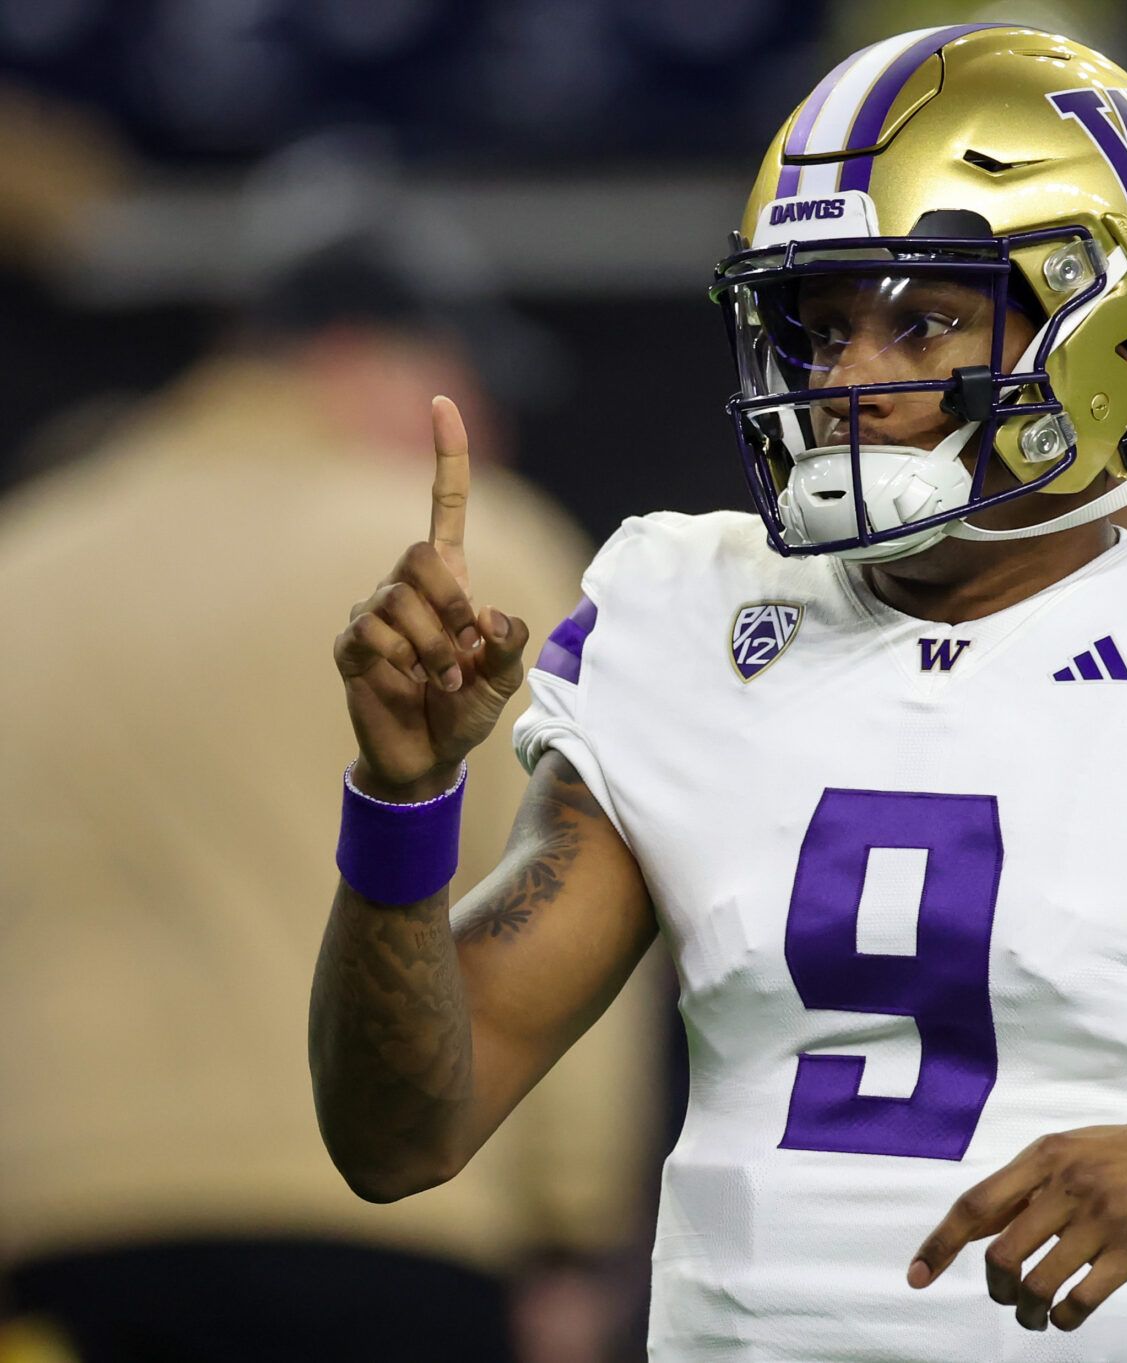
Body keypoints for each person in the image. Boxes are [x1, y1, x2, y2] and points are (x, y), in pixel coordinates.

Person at [309, 24, 1127, 1361]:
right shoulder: (689, 609)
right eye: (820, 327)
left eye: (923, 319)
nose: (847, 383)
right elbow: (400, 1135)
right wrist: (401, 808)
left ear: (1116, 322)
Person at [0, 212, 665, 1362]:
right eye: (469, 385)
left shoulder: (24, 557)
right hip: (391, 1233)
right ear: (364, 357)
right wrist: (573, 1224)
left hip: (58, 1238)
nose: (491, 429)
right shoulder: (466, 562)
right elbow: (565, 897)